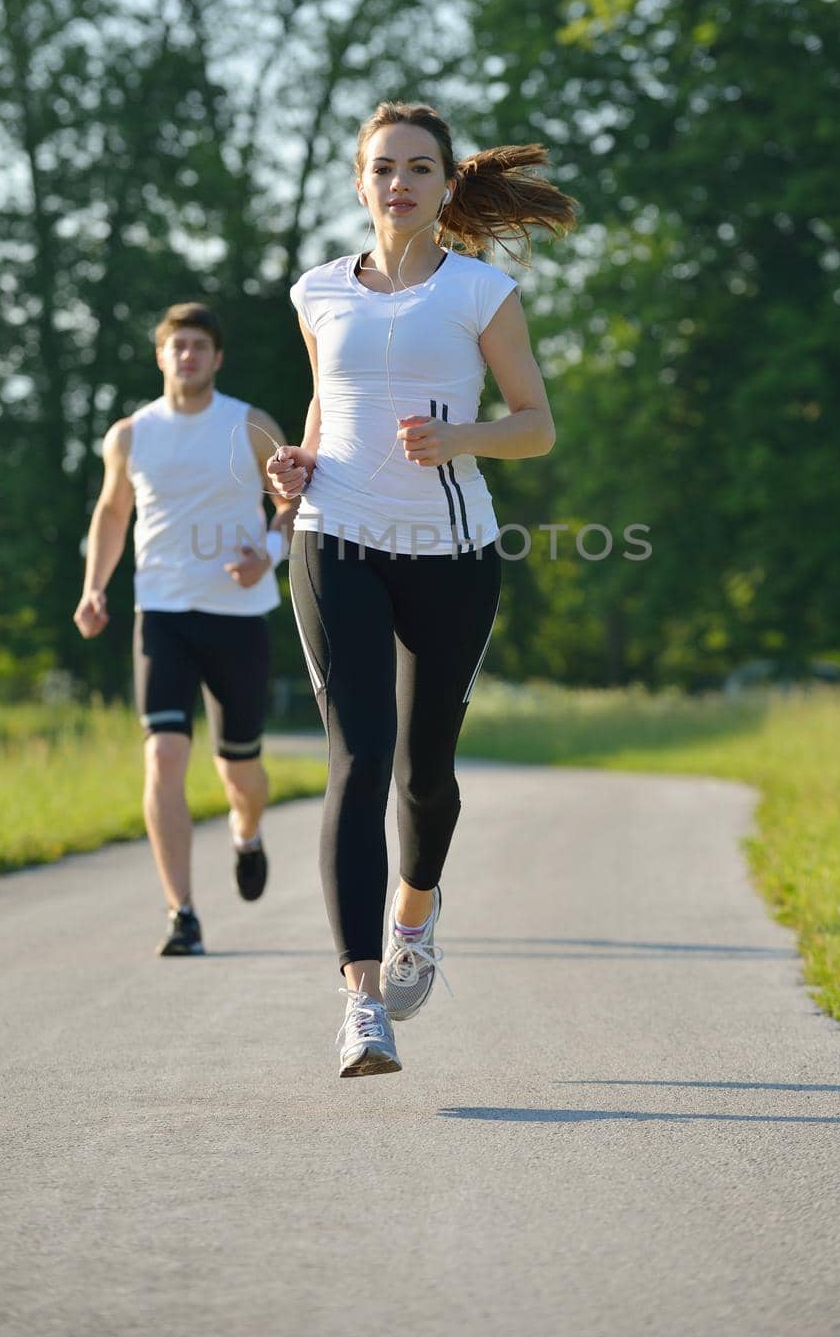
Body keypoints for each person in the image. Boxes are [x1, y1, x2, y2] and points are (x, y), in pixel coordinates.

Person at [266, 102, 577, 1076]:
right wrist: (296, 466)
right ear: (359, 183)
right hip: (335, 539)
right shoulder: (316, 291)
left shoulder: (482, 293)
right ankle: (362, 1001)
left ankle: (416, 912)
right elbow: (325, 404)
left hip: (451, 546)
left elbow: (536, 425)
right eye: (383, 166)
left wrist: (464, 439)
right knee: (359, 758)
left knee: (424, 771)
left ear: (447, 186)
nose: (399, 181)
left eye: (419, 167)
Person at [74, 302, 295, 957]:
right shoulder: (130, 435)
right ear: (161, 356)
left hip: (237, 617)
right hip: (161, 612)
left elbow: (292, 501)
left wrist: (269, 556)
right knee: (164, 752)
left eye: (200, 346)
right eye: (178, 346)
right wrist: (93, 588)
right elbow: (113, 514)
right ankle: (182, 914)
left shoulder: (250, 426)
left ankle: (247, 833)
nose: (189, 356)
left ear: (217, 357)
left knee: (241, 771)